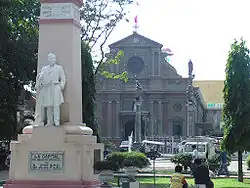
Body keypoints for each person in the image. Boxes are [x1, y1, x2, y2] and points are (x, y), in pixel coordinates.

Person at [35, 53, 66, 127]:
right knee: (48, 106)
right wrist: (40, 82)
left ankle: (57, 122)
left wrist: (61, 87)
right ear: (48, 60)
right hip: (47, 88)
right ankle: (50, 122)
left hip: (55, 87)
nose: (52, 60)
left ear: (55, 59)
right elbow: (41, 77)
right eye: (50, 58)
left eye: (53, 58)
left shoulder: (59, 68)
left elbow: (63, 79)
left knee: (56, 105)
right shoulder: (44, 68)